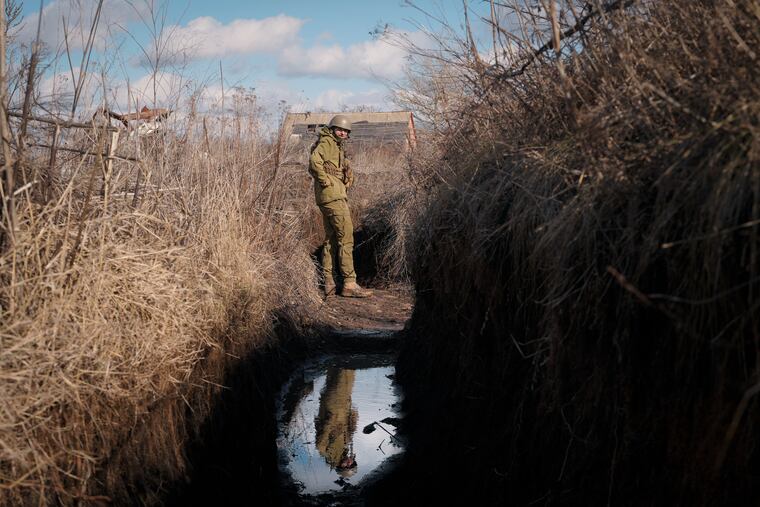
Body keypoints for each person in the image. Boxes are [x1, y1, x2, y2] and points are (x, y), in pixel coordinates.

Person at [309, 114, 373, 298]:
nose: (343, 133)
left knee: (331, 239)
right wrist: (326, 181)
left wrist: (343, 176)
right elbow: (314, 163)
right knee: (346, 238)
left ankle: (328, 282)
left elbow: (331, 168)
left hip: (329, 197)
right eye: (340, 129)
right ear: (332, 129)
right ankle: (349, 283)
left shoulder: (335, 145)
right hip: (333, 197)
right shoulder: (327, 143)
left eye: (346, 131)